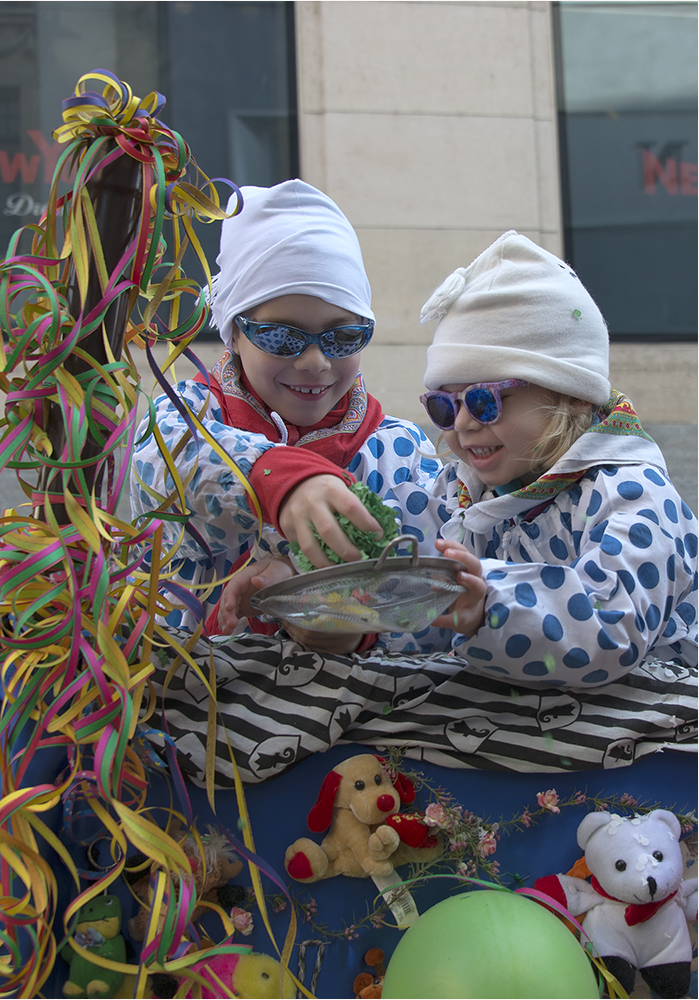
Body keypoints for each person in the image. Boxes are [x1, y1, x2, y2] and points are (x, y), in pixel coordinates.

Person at [220, 231, 698, 689]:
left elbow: (610, 631)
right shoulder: (461, 497)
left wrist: (491, 601)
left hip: (665, 738)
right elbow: (412, 605)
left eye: (486, 401)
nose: (463, 424)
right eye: (444, 406)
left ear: (570, 396)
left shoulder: (631, 495)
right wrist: (305, 584)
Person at [130, 180, 443, 649]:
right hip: (188, 698)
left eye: (343, 337)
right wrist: (282, 478)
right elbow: (166, 473)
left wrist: (346, 628)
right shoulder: (184, 417)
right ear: (233, 333)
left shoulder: (398, 453)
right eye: (282, 337)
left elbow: (425, 609)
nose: (315, 361)